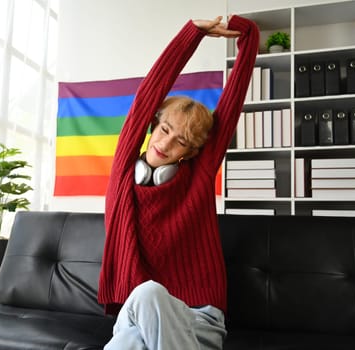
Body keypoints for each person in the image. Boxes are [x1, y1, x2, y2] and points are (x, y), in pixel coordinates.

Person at [98, 14, 259, 350]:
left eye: (180, 142)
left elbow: (232, 103)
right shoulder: (124, 175)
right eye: (165, 130)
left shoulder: (196, 178)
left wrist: (248, 34)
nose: (166, 144)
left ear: (189, 153)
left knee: (147, 296)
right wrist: (192, 34)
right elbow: (146, 97)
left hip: (200, 319)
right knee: (143, 301)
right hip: (139, 312)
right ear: (153, 126)